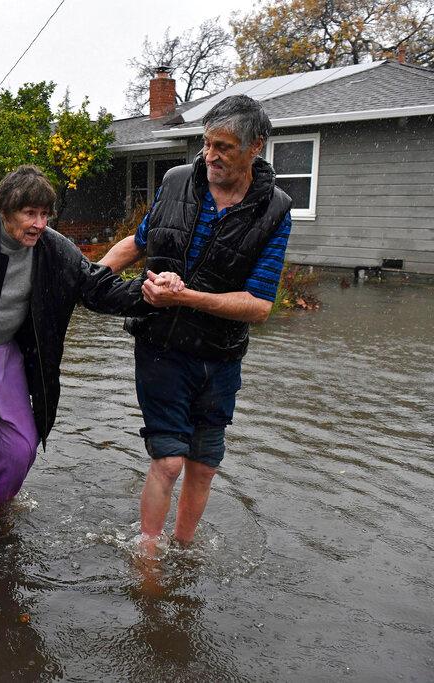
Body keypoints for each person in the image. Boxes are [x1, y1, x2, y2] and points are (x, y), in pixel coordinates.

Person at [99, 95, 293, 548]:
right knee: (168, 461)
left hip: (220, 358)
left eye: (224, 147)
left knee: (203, 467)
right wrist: (90, 278)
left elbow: (260, 305)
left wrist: (185, 295)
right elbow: (140, 241)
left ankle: (183, 549)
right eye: (207, 144)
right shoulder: (176, 181)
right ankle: (147, 553)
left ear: (255, 147)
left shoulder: (276, 211)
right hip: (161, 346)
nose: (211, 156)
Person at [0, 165, 151, 535]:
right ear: (4, 210)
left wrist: (147, 292)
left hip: (11, 355)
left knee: (22, 446)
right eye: (30, 213)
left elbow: (96, 288)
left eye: (45, 214)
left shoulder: (56, 249)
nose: (39, 223)